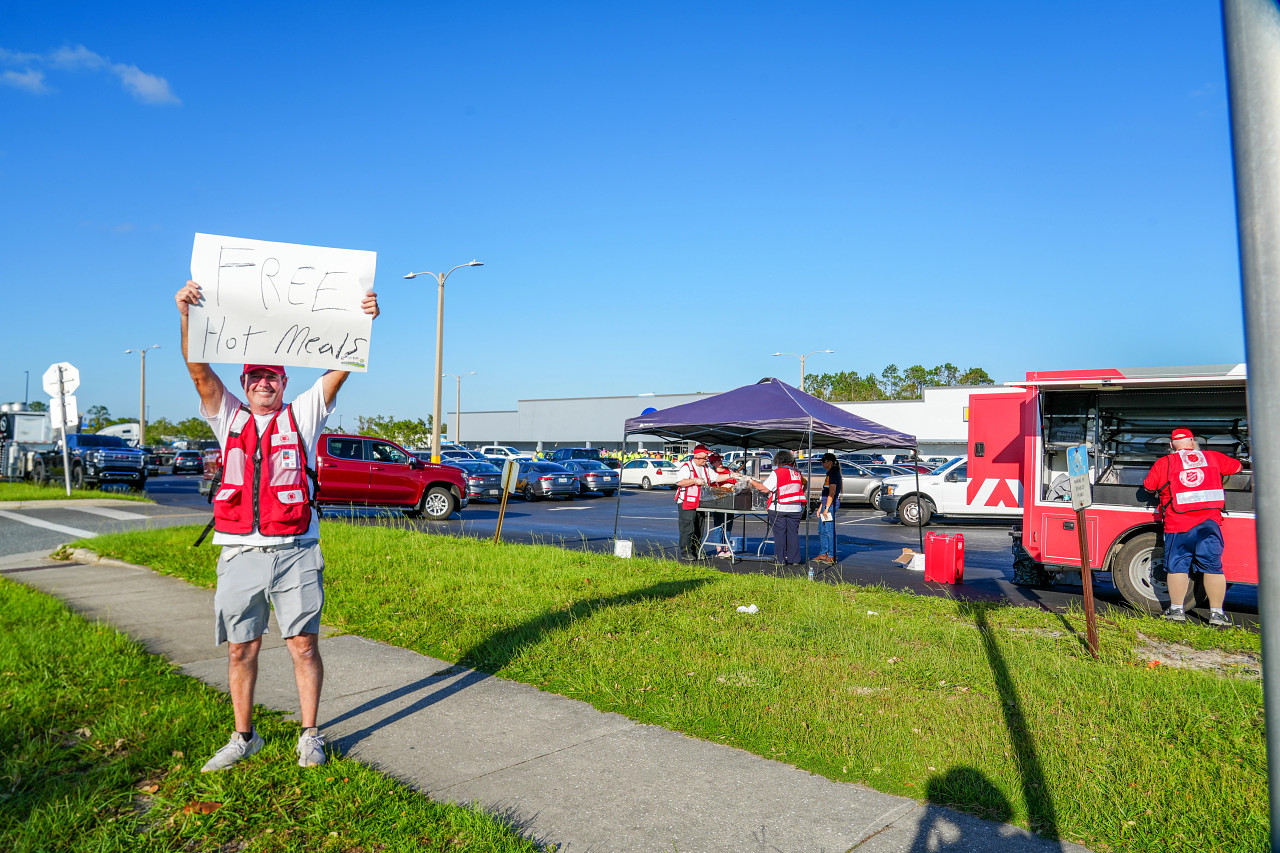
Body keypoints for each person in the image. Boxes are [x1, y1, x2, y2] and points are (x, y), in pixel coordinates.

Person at [175, 279, 380, 772]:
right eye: (254, 377)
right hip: (241, 551)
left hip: (295, 550)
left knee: (303, 645)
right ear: (244, 384)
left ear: (284, 383)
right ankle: (244, 737)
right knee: (241, 648)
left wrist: (364, 321)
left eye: (272, 377)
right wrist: (186, 316)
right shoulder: (227, 418)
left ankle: (310, 734)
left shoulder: (303, 416)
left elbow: (341, 368)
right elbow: (199, 369)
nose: (263, 383)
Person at [1142, 427, 1242, 627]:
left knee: (1177, 566)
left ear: (1171, 445)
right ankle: (1217, 614)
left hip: (1178, 524)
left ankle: (1177, 610)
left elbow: (1149, 486)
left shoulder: (1165, 462)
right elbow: (1237, 467)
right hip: (1209, 522)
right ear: (1193, 442)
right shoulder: (1213, 457)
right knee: (1213, 567)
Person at [748, 450, 807, 566]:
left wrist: (750, 480)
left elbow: (764, 488)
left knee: (780, 534)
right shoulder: (797, 473)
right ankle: (794, 559)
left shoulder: (777, 472)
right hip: (796, 508)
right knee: (793, 534)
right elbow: (806, 483)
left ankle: (780, 560)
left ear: (778, 461)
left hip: (779, 507)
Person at [674, 444, 717, 560]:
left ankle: (697, 550)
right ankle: (686, 552)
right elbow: (680, 482)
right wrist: (694, 480)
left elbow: (716, 478)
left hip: (700, 503)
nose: (707, 459)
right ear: (697, 456)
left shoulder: (706, 468)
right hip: (686, 502)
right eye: (705, 457)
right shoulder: (686, 467)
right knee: (688, 528)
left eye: (707, 457)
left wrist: (731, 476)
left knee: (699, 528)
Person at [707, 453, 737, 558]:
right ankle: (719, 549)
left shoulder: (729, 471)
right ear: (712, 463)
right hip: (717, 502)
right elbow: (710, 487)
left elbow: (735, 483)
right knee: (718, 526)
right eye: (716, 461)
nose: (719, 462)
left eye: (720, 460)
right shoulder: (712, 473)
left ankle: (727, 548)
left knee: (728, 527)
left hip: (729, 501)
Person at [814, 453, 842, 564]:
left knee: (829, 531)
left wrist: (826, 508)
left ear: (830, 462)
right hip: (826, 504)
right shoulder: (829, 473)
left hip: (830, 505)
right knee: (822, 531)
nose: (822, 463)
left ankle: (832, 555)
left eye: (824, 461)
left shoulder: (833, 473)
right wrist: (821, 507)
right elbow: (825, 493)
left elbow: (832, 492)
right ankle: (823, 553)